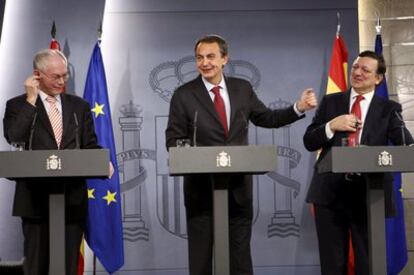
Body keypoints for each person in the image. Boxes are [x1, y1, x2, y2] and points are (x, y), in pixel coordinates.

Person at [165, 34, 317, 275]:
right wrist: (187, 153)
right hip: (200, 192)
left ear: (225, 59)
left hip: (238, 191)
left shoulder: (242, 88)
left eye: (211, 57)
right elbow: (173, 138)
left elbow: (267, 118)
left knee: (240, 263)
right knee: (201, 262)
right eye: (199, 58)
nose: (205, 63)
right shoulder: (183, 94)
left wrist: (298, 108)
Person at [303, 50, 414, 275]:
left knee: (368, 264)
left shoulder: (388, 109)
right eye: (355, 67)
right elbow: (309, 141)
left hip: (369, 194)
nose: (358, 73)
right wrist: (331, 125)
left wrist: (370, 154)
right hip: (330, 193)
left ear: (378, 78)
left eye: (366, 70)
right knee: (333, 265)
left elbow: (406, 145)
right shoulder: (331, 102)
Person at [3, 49, 101, 275]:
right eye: (55, 76)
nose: (62, 81)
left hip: (71, 201)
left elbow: (90, 146)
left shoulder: (79, 106)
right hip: (34, 201)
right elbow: (14, 137)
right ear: (37, 75)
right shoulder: (17, 105)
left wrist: (102, 162)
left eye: (65, 75)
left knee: (67, 267)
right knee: (36, 267)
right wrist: (30, 100)